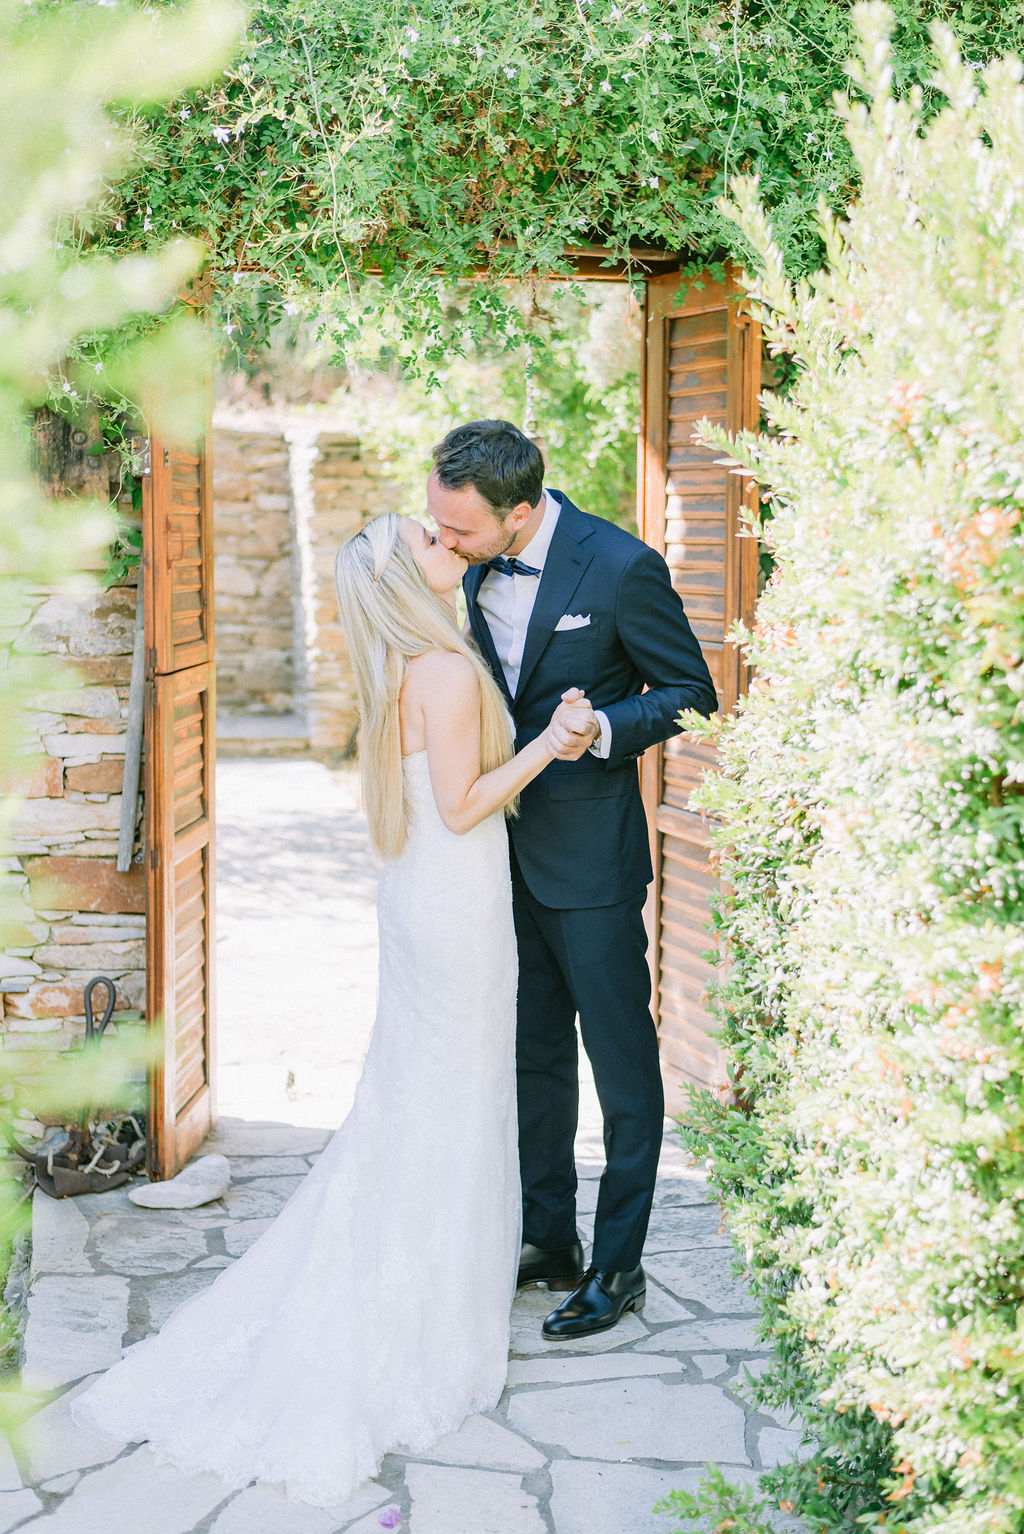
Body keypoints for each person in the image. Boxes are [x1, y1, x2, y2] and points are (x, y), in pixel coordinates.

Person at [69, 511, 594, 1509]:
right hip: (452, 904)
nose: (451, 538)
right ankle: (427, 1316)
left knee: (427, 1100)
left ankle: (439, 1287)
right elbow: (463, 802)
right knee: (446, 1102)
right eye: (430, 538)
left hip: (434, 898)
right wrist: (555, 740)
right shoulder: (437, 670)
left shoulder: (414, 658)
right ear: (406, 576)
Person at [427, 419, 718, 1339]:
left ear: (519, 512)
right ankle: (544, 1238)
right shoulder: (460, 565)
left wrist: (606, 731)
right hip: (492, 853)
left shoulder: (621, 566)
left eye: (463, 529)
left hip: (591, 863)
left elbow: (689, 692)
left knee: (621, 1068)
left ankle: (618, 1264)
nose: (447, 541)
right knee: (531, 1055)